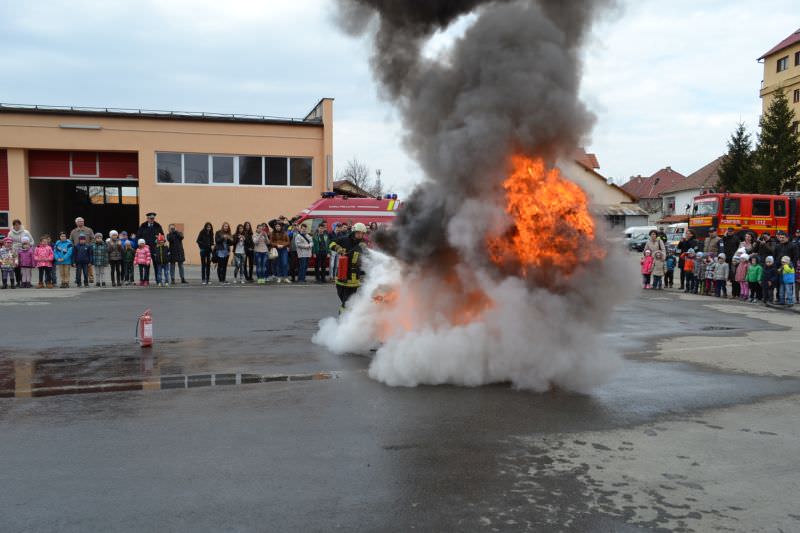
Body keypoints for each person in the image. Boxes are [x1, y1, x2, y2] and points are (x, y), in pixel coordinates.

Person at [330, 222, 368, 311]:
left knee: (348, 302)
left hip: (354, 278)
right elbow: (331, 243)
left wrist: (365, 249)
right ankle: (346, 320)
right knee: (344, 300)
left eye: (362, 233)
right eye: (358, 233)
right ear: (354, 232)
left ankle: (344, 321)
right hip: (342, 275)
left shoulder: (363, 244)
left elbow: (367, 256)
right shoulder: (344, 240)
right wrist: (338, 248)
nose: (360, 235)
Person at [69, 217, 95, 284]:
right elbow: (70, 240)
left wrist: (90, 245)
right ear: (76, 223)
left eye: (82, 221)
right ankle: (77, 279)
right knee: (78, 266)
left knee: (88, 265)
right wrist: (73, 246)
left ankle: (91, 278)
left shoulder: (89, 230)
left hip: (87, 249)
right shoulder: (73, 231)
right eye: (79, 221)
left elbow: (93, 238)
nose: (81, 222)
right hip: (77, 250)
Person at [8, 219, 33, 286]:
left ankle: (26, 281)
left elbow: (32, 242)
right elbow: (9, 242)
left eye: (18, 224)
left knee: (25, 267)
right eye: (15, 225)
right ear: (13, 225)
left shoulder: (26, 232)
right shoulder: (10, 233)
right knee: (16, 267)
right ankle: (18, 282)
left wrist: (26, 246)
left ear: (20, 224)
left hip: (24, 252)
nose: (17, 226)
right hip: (14, 252)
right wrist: (11, 248)